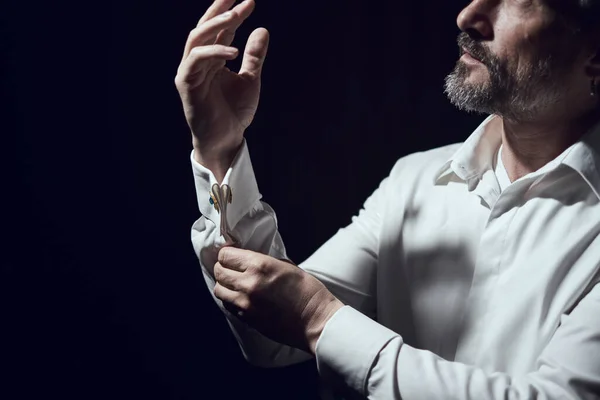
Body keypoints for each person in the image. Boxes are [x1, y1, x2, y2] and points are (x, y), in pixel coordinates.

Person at [174, 0, 600, 398]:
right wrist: (219, 150)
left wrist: (320, 320)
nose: (468, 16)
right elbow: (270, 340)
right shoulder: (414, 180)